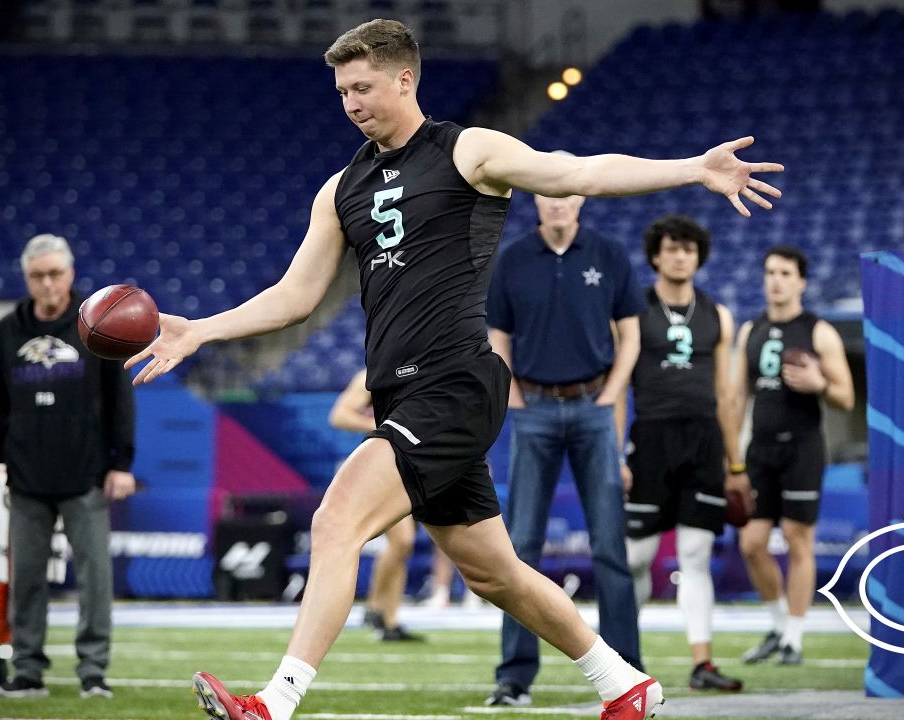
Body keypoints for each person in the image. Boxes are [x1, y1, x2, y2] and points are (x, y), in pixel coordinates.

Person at [126, 19, 782, 720]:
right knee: (494, 573)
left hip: (457, 383)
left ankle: (274, 703)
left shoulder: (467, 150)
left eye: (363, 86)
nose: (350, 102)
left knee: (337, 518)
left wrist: (692, 168)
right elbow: (295, 296)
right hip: (399, 394)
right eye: (343, 90)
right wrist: (200, 329)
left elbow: (576, 171)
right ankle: (626, 685)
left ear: (405, 79)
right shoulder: (340, 188)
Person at [483, 173, 644, 707]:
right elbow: (497, 335)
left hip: (593, 407)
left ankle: (627, 672)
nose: (556, 202)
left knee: (609, 547)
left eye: (565, 193)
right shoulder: (511, 259)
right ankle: (514, 676)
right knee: (519, 548)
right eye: (546, 194)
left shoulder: (609, 254)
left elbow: (632, 336)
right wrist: (511, 397)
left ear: (580, 196)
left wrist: (609, 396)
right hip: (532, 410)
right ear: (534, 199)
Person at [0, 233, 137, 699]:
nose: (47, 284)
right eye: (37, 276)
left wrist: (120, 463)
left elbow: (119, 398)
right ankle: (26, 670)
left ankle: (93, 672)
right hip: (25, 477)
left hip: (84, 475)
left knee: (94, 579)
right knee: (25, 579)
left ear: (70, 275)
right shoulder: (7, 331)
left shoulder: (97, 326)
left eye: (54, 274)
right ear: (27, 279)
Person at [622, 215, 745, 692]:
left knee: (695, 553)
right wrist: (616, 454)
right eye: (672, 248)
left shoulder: (720, 314)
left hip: (703, 441)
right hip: (650, 438)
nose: (680, 256)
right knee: (638, 556)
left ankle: (702, 664)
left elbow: (727, 396)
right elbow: (617, 387)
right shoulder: (634, 311)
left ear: (699, 257)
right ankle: (623, 659)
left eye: (689, 250)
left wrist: (735, 464)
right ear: (656, 255)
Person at [733, 245, 853, 666]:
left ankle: (795, 639)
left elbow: (846, 398)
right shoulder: (751, 330)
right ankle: (779, 623)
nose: (775, 280)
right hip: (760, 449)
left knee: (800, 540)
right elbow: (735, 398)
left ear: (801, 281)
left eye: (784, 272)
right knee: (751, 543)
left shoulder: (819, 331)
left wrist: (819, 382)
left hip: (802, 446)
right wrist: (733, 457)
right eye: (769, 272)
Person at [328, 368, 422, 642]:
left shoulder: (423, 369)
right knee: (402, 541)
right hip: (381, 462)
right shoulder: (373, 374)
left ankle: (388, 618)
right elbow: (339, 415)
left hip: (413, 461)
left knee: (402, 546)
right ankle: (374, 608)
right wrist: (386, 429)